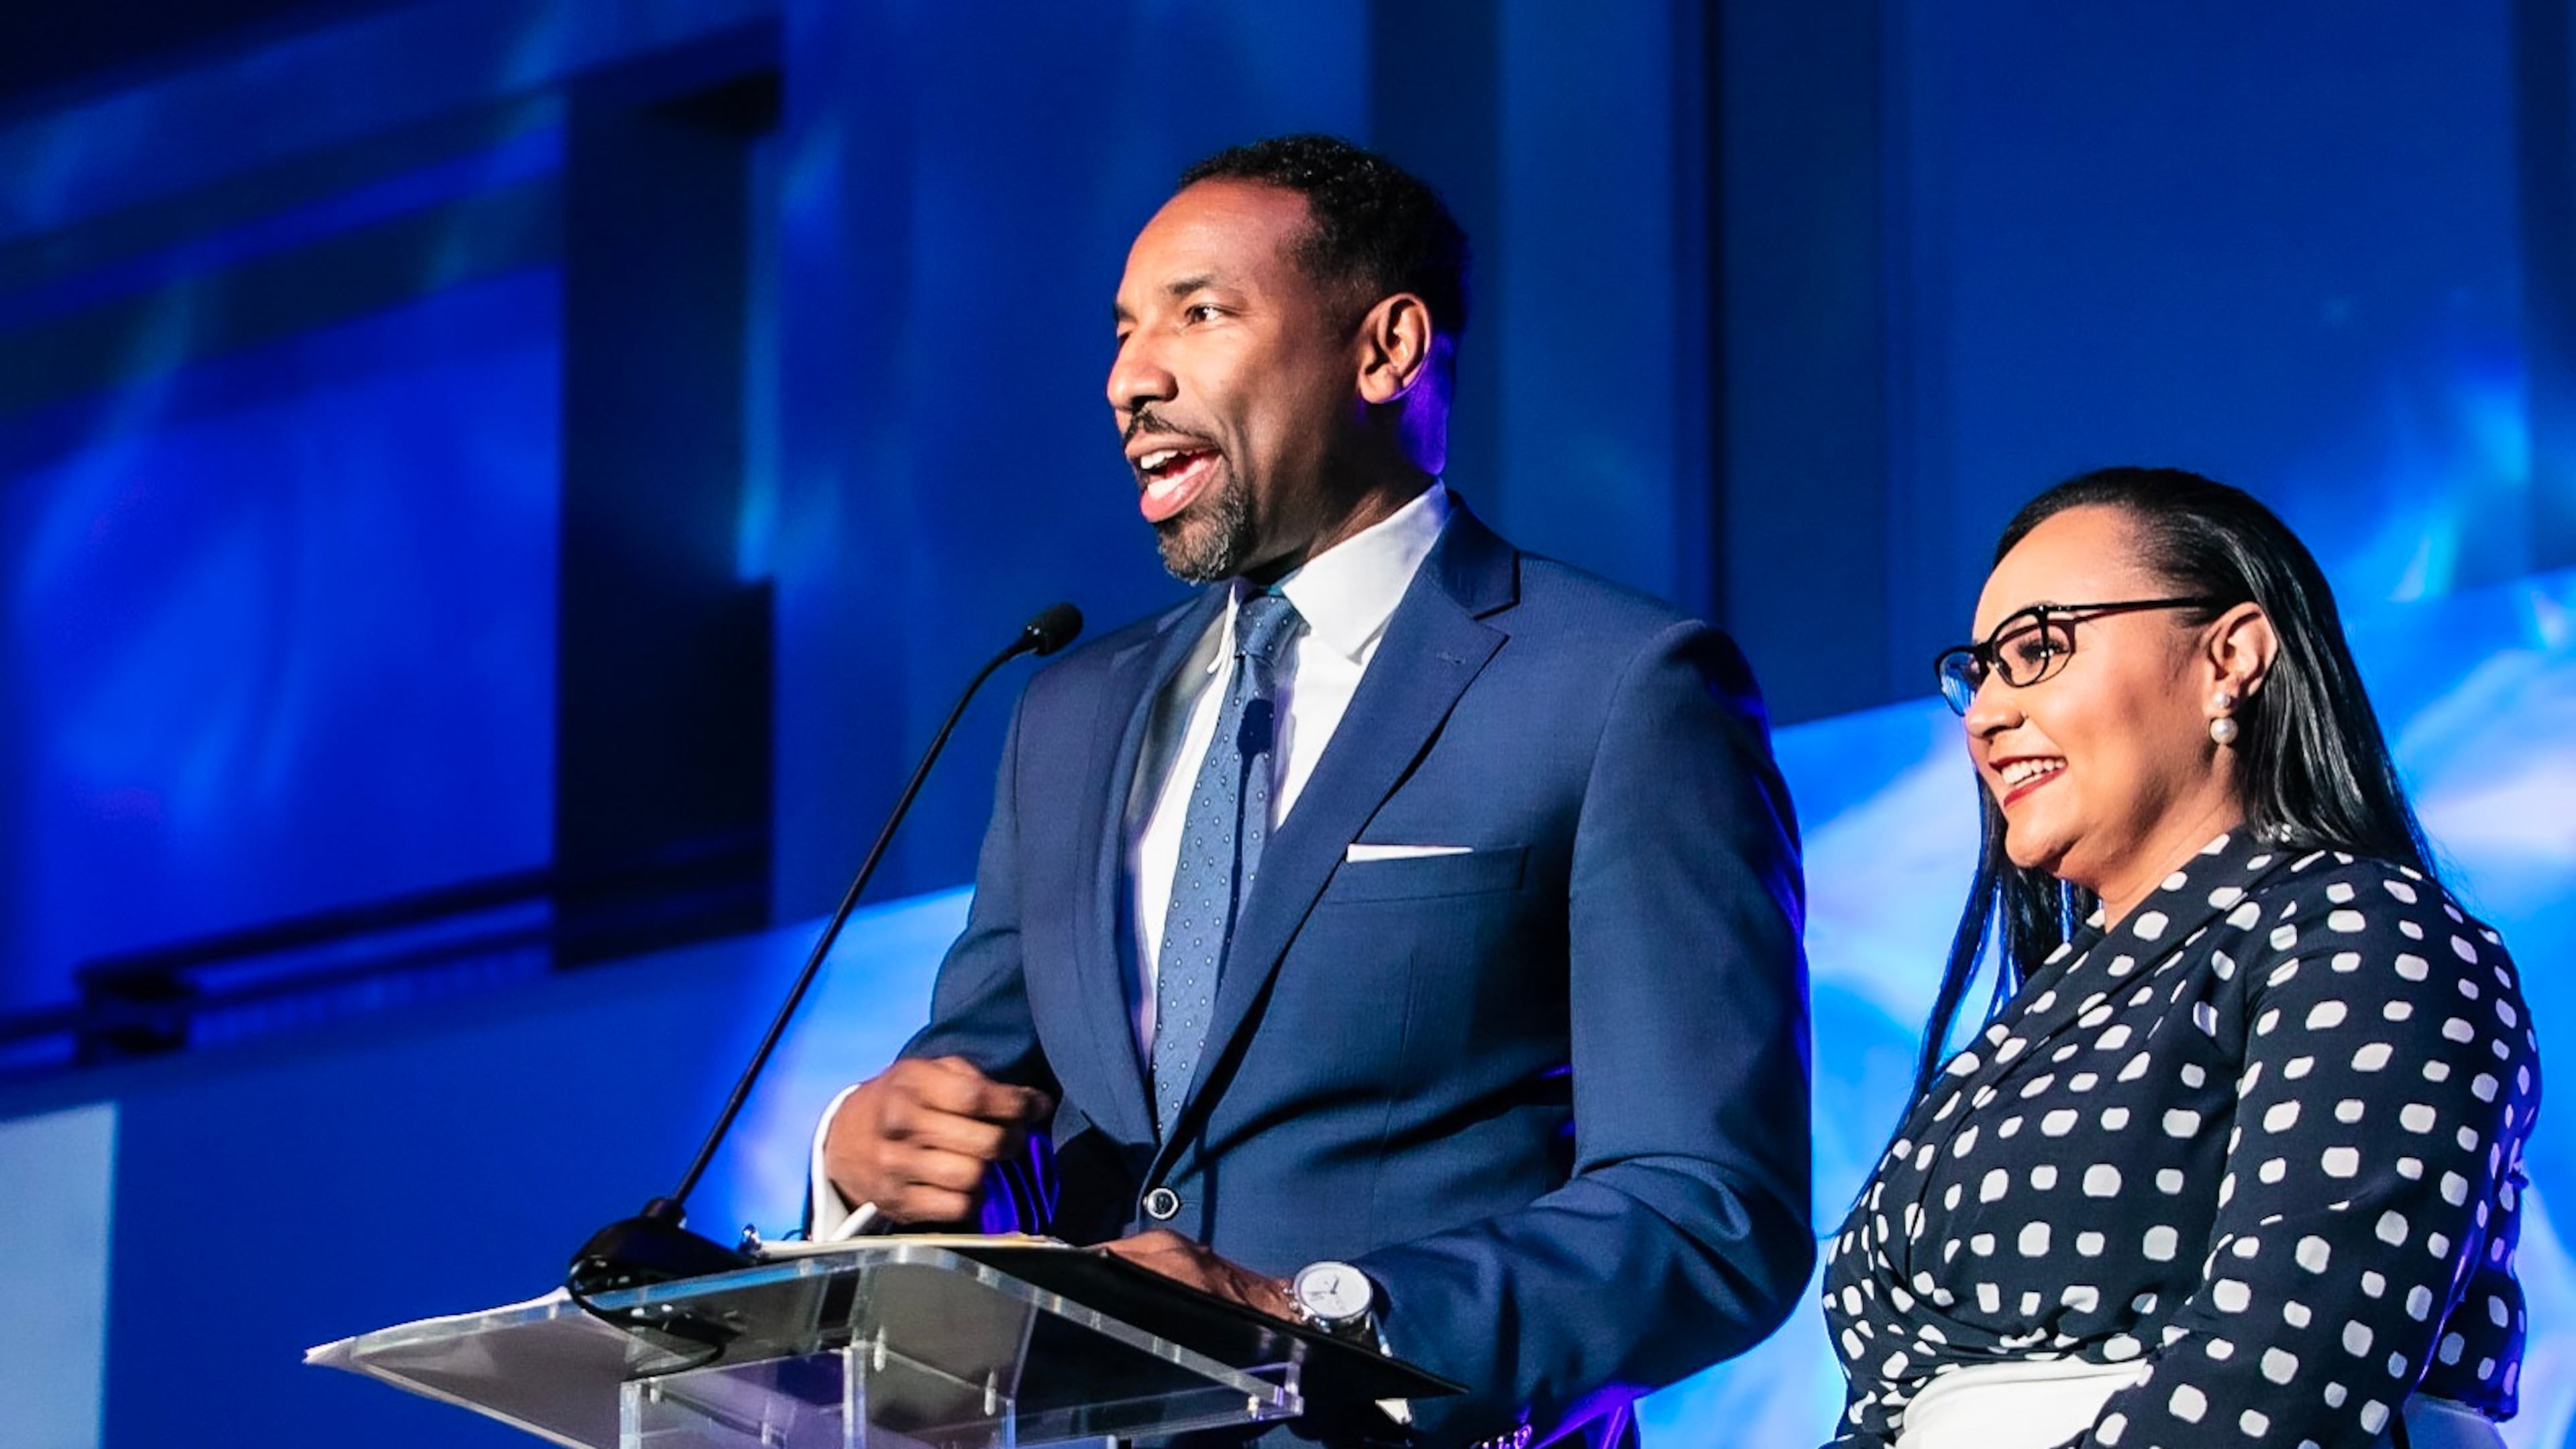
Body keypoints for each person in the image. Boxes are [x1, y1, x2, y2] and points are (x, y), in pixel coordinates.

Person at [808, 135, 1813, 1448]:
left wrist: (1315, 1314)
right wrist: (867, 1158)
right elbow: (978, 1100)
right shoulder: (1067, 708)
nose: (1131, 377)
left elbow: (1707, 1214)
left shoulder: (1620, 686)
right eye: (1121, 331)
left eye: (1200, 313)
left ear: (1386, 350)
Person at [1822, 468, 2540, 1448]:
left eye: (2037, 651)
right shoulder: (2036, 1023)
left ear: (2231, 657)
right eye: (1979, 672)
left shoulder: (2362, 935)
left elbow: (2277, 1384)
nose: (1986, 712)